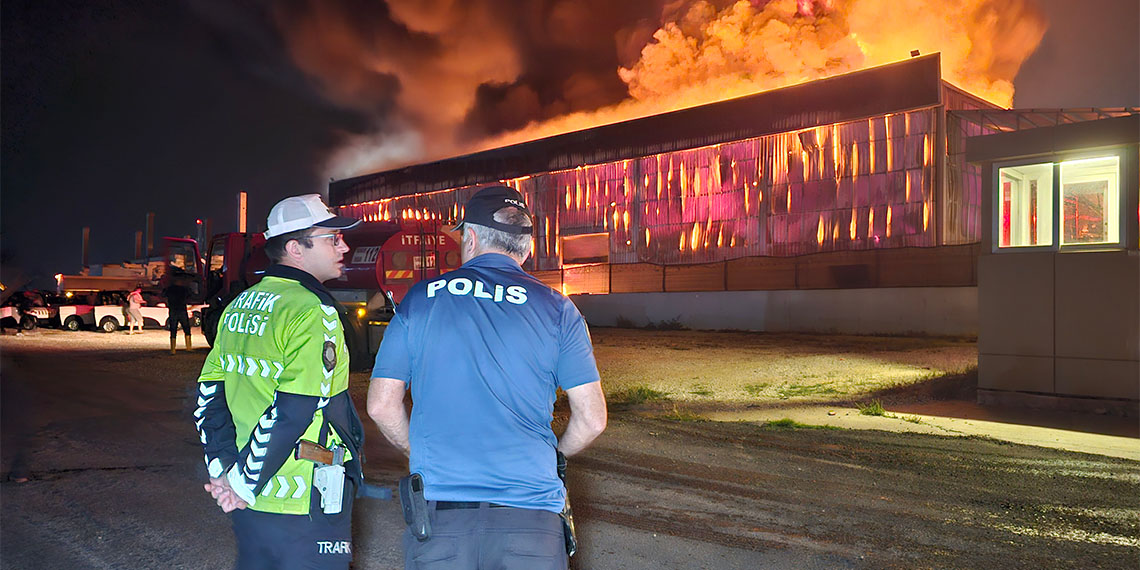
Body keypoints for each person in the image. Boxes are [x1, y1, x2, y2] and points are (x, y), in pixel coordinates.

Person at [368, 185, 608, 570]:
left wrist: (421, 453)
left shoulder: (420, 299)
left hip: (441, 520)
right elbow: (593, 419)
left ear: (472, 238)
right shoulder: (559, 310)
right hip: (531, 523)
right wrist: (553, 457)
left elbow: (381, 405)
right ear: (527, 248)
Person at [194, 194, 366, 570]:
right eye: (331, 239)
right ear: (295, 248)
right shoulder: (310, 311)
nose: (344, 246)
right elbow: (294, 409)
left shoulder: (240, 305)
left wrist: (224, 470)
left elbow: (210, 396)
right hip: (304, 497)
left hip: (252, 501)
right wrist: (239, 484)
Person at [163, 272, 192, 355]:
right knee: (186, 328)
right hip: (182, 310)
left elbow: (163, 296)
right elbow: (190, 296)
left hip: (173, 310)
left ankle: (173, 349)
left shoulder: (169, 289)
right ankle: (188, 347)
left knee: (173, 329)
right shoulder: (184, 289)